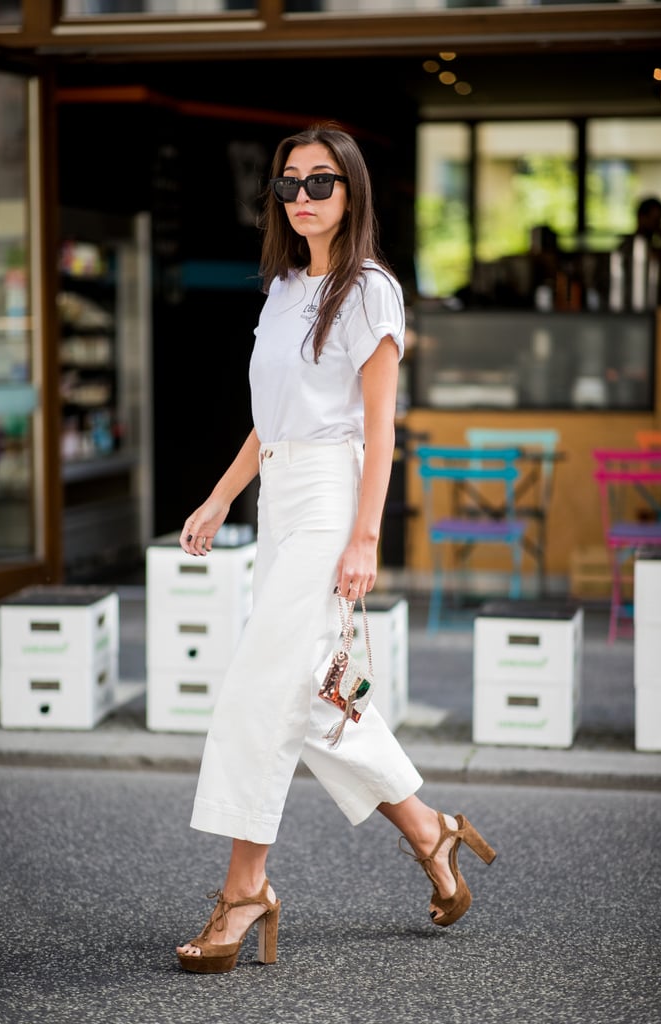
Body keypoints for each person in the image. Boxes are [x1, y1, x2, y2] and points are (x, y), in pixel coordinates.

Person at [175, 123, 496, 975]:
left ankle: (246, 889)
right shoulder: (282, 289)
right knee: (313, 697)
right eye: (289, 184)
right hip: (281, 492)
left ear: (351, 192)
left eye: (322, 183)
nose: (304, 198)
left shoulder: (372, 291)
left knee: (259, 689)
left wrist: (365, 537)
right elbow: (269, 419)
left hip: (330, 498)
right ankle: (433, 834)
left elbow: (380, 428)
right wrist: (219, 495)